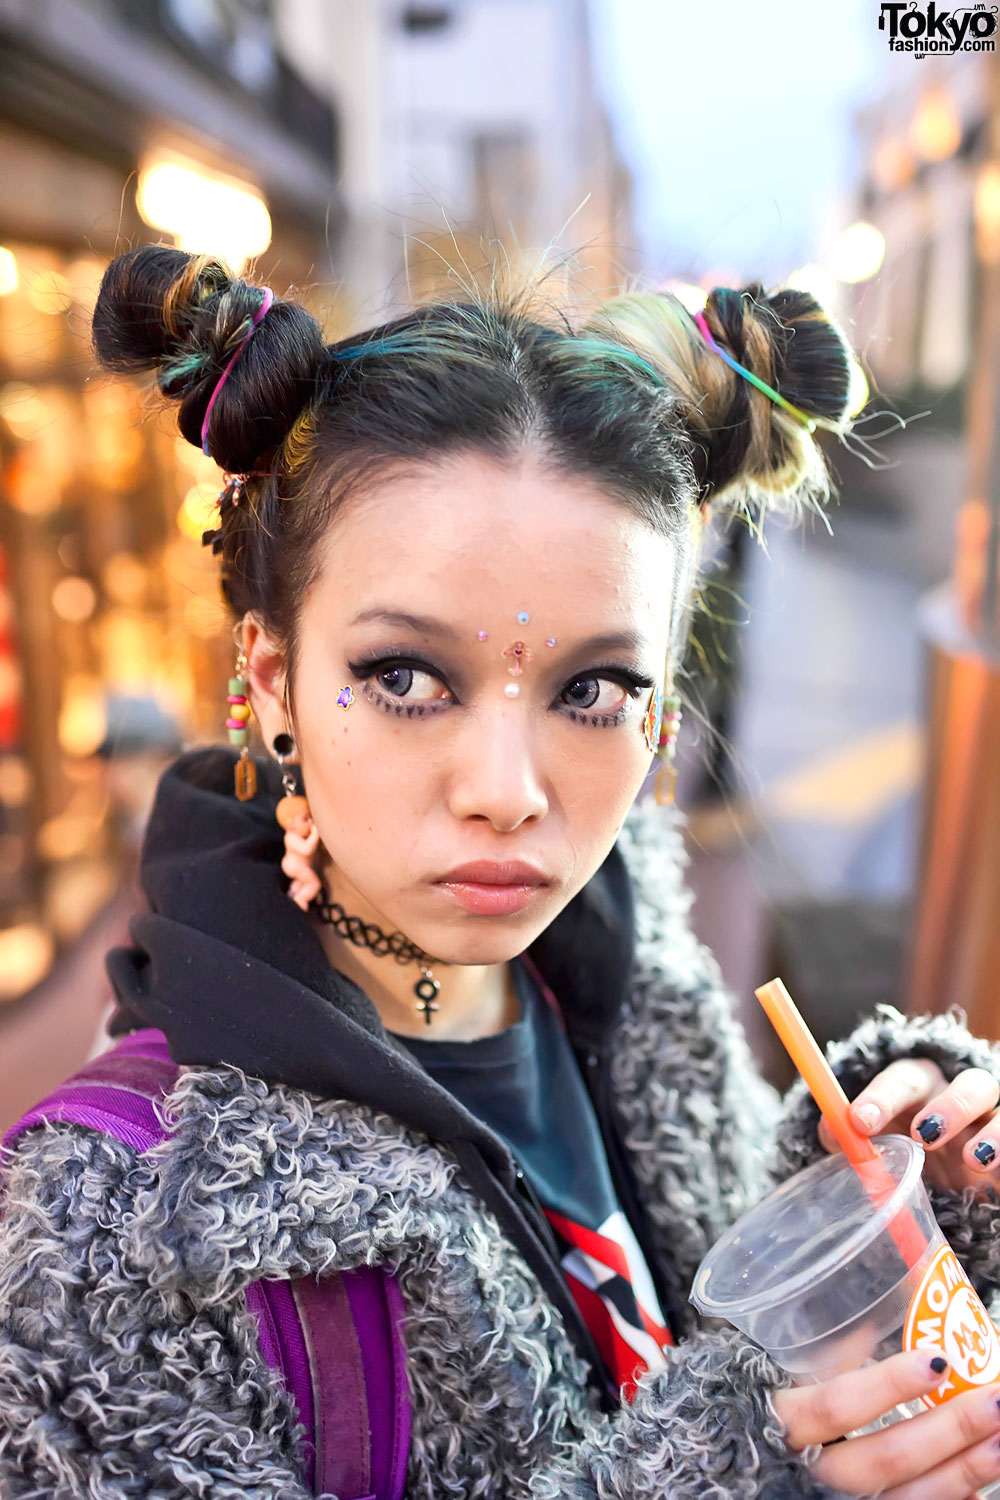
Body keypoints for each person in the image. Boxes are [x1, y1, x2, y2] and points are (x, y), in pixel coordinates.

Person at [2, 246, 1000, 1500]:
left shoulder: (628, 960)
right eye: (407, 679)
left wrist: (911, 1174)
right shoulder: (110, 1230)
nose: (508, 789)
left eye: (592, 690)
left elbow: (712, 1272)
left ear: (659, 713)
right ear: (269, 681)